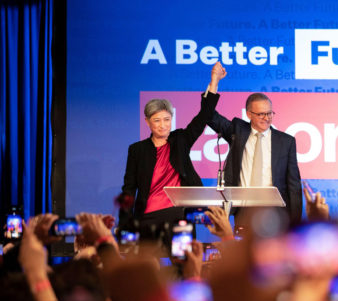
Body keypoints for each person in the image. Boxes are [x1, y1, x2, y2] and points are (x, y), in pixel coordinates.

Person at [121, 62, 227, 227]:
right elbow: (128, 189)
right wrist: (124, 225)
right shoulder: (137, 150)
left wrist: (214, 81)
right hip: (147, 218)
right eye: (157, 120)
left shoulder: (181, 139)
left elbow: (204, 115)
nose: (162, 125)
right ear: (147, 122)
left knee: (183, 253)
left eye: (166, 119)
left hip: (179, 215)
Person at [207, 92, 302, 224]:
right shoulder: (238, 132)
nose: (267, 118)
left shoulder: (286, 141)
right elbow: (209, 115)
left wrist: (296, 224)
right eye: (261, 114)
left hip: (275, 212)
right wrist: (214, 83)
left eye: (269, 113)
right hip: (244, 211)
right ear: (249, 114)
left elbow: (294, 185)